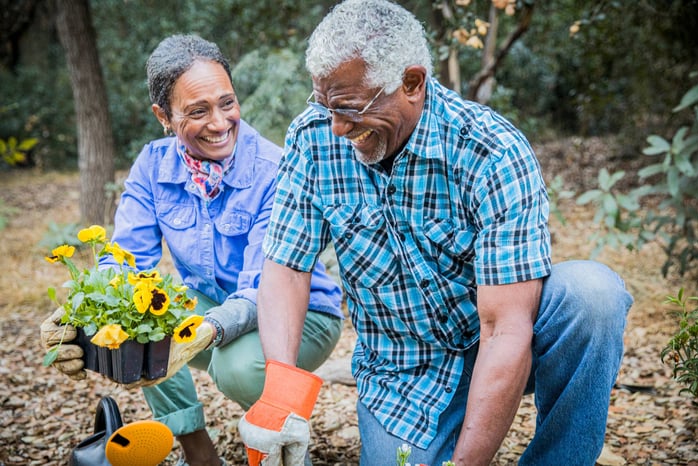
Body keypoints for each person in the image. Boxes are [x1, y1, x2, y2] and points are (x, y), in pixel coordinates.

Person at [238, 1, 635, 465]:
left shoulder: (490, 151)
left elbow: (504, 327)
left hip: (506, 339)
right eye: (325, 105)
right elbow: (286, 265)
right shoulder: (313, 139)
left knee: (593, 296)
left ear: (411, 83)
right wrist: (281, 394)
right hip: (401, 371)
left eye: (348, 109)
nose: (338, 128)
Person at [40, 34, 344, 466]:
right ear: (163, 116)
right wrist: (79, 314)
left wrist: (211, 329)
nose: (220, 123)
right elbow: (123, 263)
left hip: (301, 313)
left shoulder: (275, 170)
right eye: (198, 111)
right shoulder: (153, 165)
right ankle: (200, 456)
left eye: (227, 103)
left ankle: (280, 447)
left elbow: (265, 286)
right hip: (215, 306)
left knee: (236, 367)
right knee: (139, 319)